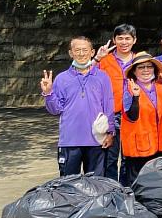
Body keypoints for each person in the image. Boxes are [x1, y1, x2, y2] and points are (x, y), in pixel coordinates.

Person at [40, 36, 115, 176]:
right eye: (77, 50)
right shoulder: (62, 78)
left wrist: (110, 132)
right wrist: (48, 93)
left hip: (96, 140)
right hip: (70, 140)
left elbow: (108, 105)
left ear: (92, 52)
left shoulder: (102, 77)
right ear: (71, 53)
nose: (81, 54)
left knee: (95, 185)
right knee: (68, 185)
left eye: (85, 50)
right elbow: (55, 110)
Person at [120, 52, 162, 187]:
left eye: (149, 66)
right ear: (134, 71)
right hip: (138, 147)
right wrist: (136, 97)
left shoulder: (161, 88)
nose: (145, 70)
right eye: (141, 67)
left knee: (157, 185)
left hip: (159, 145)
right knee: (136, 186)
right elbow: (131, 116)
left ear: (154, 69)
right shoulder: (129, 89)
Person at [94, 23, 137, 181]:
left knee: (129, 157)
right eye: (120, 38)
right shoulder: (105, 61)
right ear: (114, 40)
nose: (124, 42)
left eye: (127, 38)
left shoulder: (140, 61)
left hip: (133, 116)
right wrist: (97, 58)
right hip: (111, 115)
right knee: (109, 158)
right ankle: (111, 191)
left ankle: (126, 191)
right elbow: (87, 75)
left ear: (134, 40)